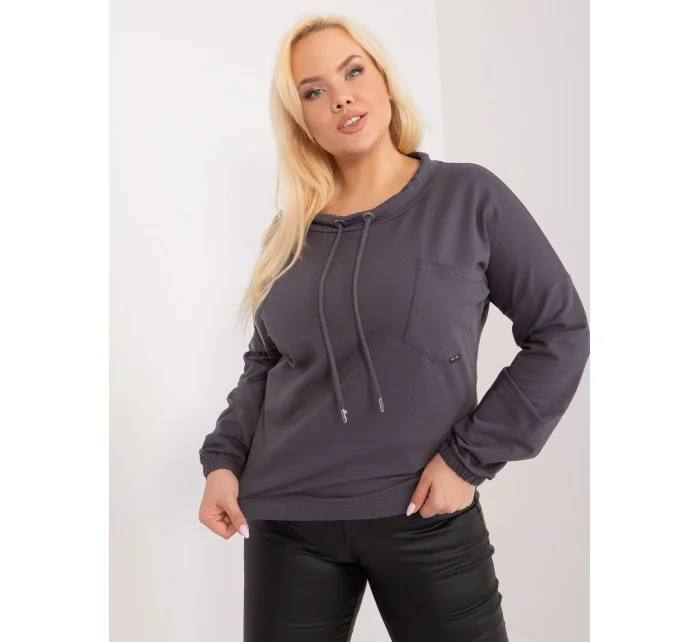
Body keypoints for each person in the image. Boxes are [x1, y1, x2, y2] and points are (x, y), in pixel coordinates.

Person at [197, 13, 590, 642]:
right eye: (314, 90)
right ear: (301, 118)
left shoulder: (469, 197)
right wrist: (223, 462)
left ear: (383, 78)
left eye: (352, 72)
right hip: (288, 520)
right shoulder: (288, 232)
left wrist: (467, 461)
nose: (341, 97)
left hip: (425, 513)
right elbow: (266, 361)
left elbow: (560, 332)